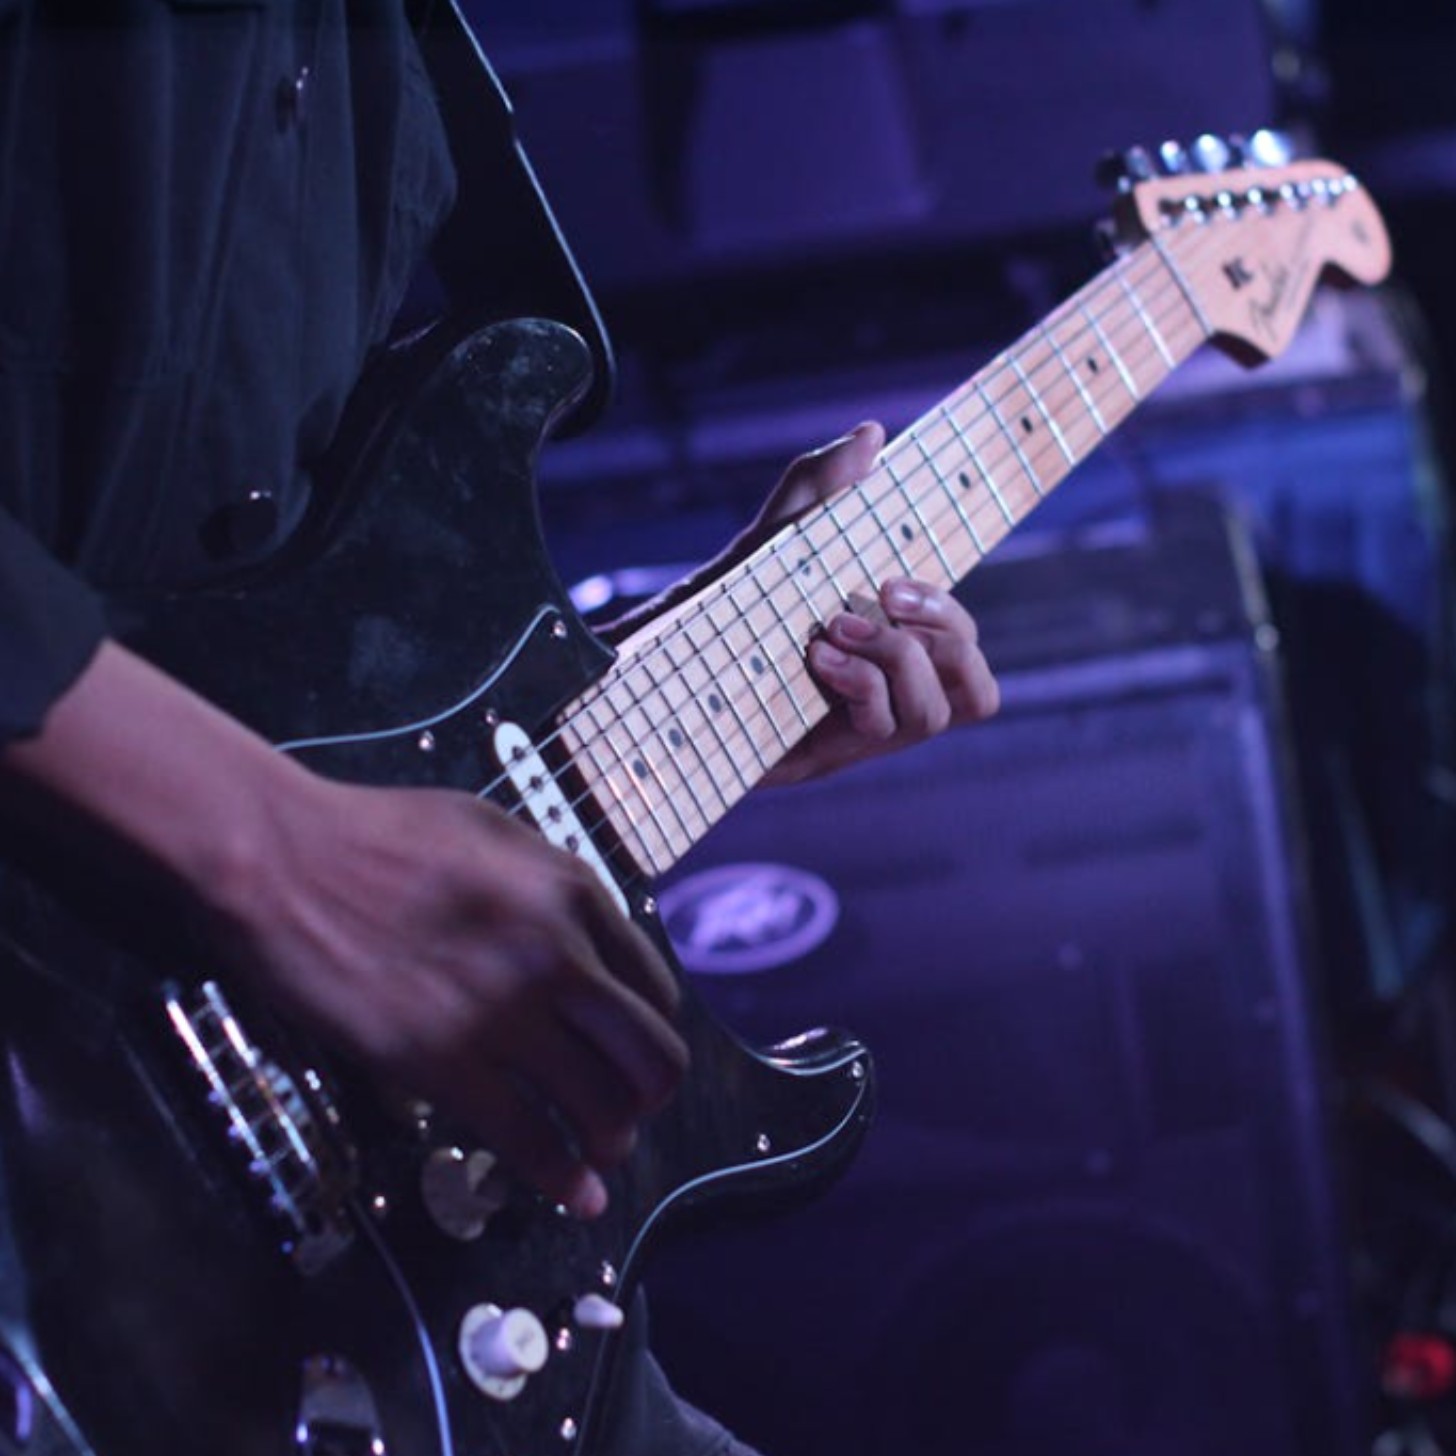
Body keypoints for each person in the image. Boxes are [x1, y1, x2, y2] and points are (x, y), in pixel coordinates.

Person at [0, 2, 998, 1453]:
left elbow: (268, 642)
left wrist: (667, 689)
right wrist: (275, 854)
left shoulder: (377, 53)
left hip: (291, 1239)